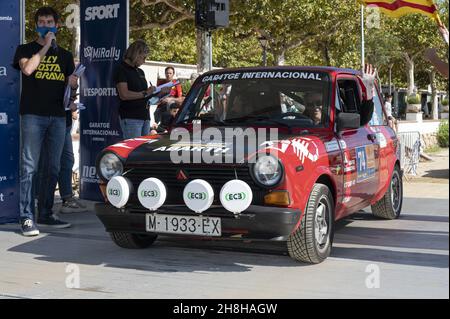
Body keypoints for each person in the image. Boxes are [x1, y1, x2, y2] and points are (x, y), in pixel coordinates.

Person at [13, 6, 77, 236]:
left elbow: (71, 84)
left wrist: (73, 85)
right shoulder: (25, 49)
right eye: (42, 21)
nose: (46, 25)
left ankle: (46, 213)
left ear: (57, 25)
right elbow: (28, 69)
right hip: (33, 115)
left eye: (50, 21)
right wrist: (47, 45)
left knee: (53, 167)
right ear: (37, 25)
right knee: (29, 166)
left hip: (58, 116)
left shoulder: (66, 55)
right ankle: (26, 217)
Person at [114, 40, 158, 139]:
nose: (144, 61)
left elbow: (144, 93)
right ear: (137, 54)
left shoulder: (140, 71)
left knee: (143, 151)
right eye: (144, 57)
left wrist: (158, 92)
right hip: (131, 117)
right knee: (133, 151)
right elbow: (124, 94)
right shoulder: (121, 69)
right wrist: (145, 93)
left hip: (145, 116)